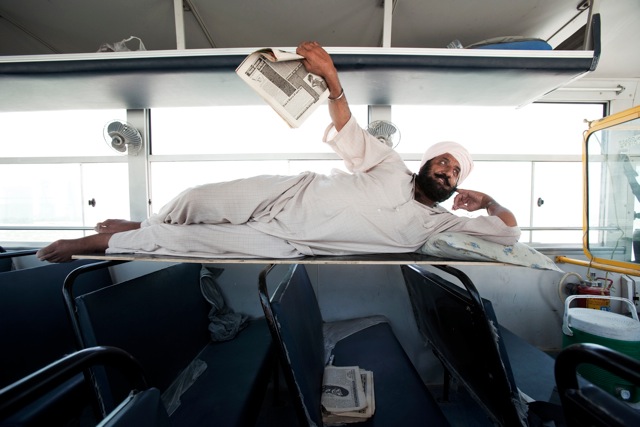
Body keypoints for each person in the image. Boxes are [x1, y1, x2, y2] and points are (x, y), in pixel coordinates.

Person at [36, 41, 519, 263]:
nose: (448, 170)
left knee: (187, 244)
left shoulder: (440, 224)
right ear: (425, 164)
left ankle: (99, 243)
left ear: (457, 186)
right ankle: (145, 221)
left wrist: (489, 201)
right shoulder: (390, 165)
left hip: (289, 244)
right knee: (195, 198)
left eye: (456, 171)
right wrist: (331, 77)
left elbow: (507, 236)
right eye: (443, 161)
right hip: (287, 194)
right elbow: (347, 127)